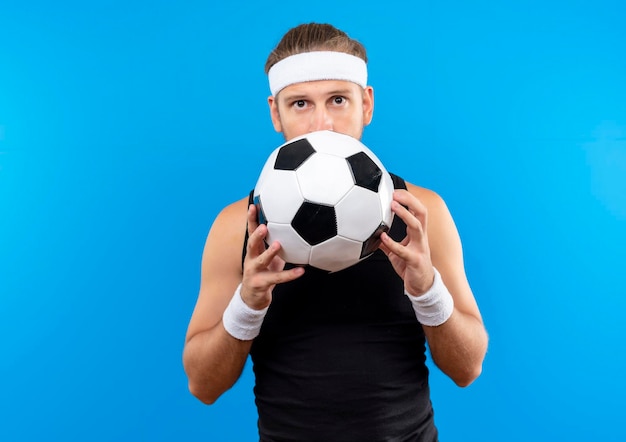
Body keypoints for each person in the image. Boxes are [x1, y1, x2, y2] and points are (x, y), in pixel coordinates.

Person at [183, 22, 488, 441]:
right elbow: (203, 385)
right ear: (276, 112)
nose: (322, 123)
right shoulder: (238, 226)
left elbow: (468, 368)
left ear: (367, 104)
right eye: (301, 104)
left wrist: (427, 289)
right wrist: (247, 304)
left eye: (338, 100)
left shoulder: (421, 212)